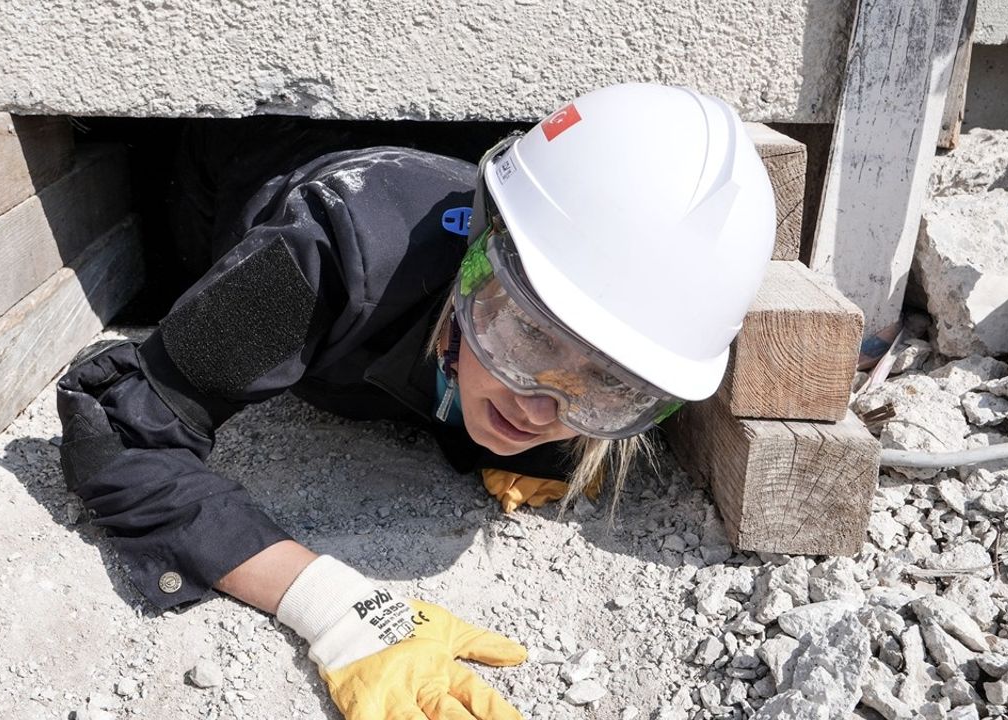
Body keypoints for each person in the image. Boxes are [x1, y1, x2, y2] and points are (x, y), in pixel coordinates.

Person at [56, 83, 775, 720]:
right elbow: (123, 423)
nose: (538, 409)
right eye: (526, 334)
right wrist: (334, 610)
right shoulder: (325, 255)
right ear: (479, 256)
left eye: (609, 386)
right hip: (221, 171)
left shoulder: (585, 364)